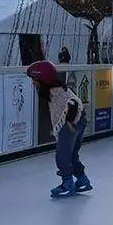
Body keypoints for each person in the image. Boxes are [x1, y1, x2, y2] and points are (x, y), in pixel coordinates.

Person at [27, 60, 91, 198]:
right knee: (72, 154)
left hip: (73, 122)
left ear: (43, 80)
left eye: (34, 80)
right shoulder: (57, 88)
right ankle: (82, 179)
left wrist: (68, 122)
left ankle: (67, 183)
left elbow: (73, 103)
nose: (33, 83)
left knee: (62, 156)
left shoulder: (56, 92)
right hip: (81, 119)